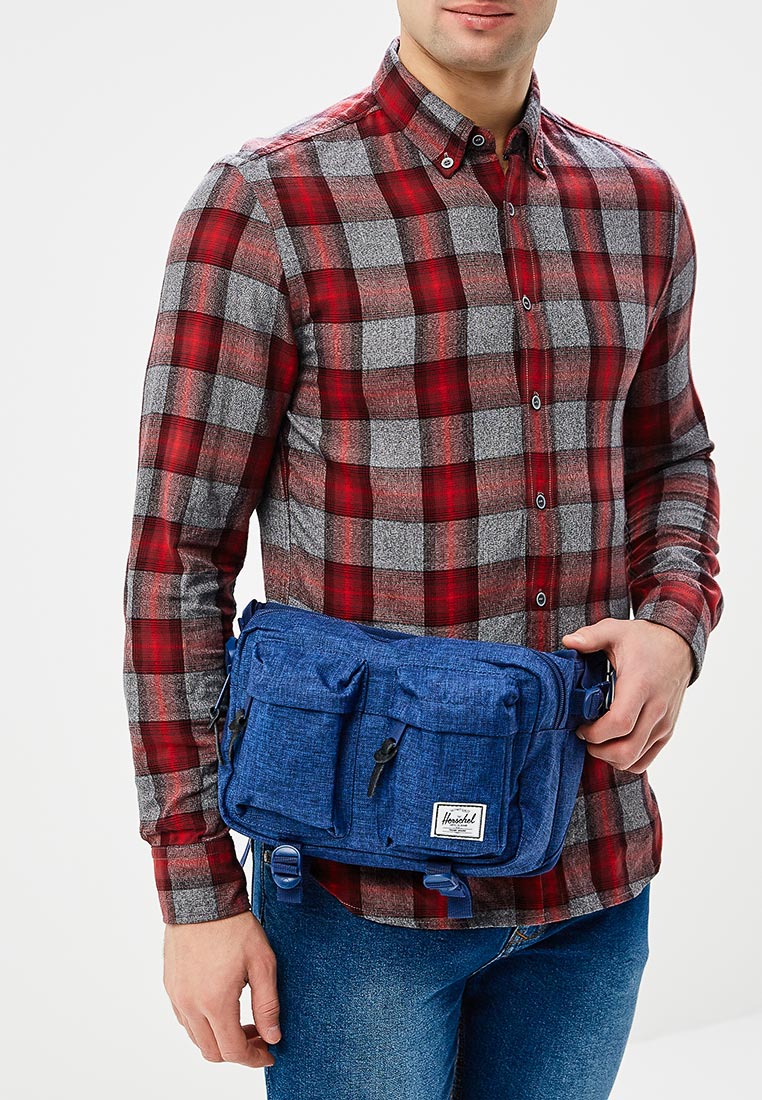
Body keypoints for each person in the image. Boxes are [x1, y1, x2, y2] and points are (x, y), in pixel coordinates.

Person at [122, 2, 724, 1097]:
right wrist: (198, 892)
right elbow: (178, 563)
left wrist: (676, 626)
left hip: (592, 874)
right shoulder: (266, 205)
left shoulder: (639, 204)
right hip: (359, 904)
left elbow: (672, 454)